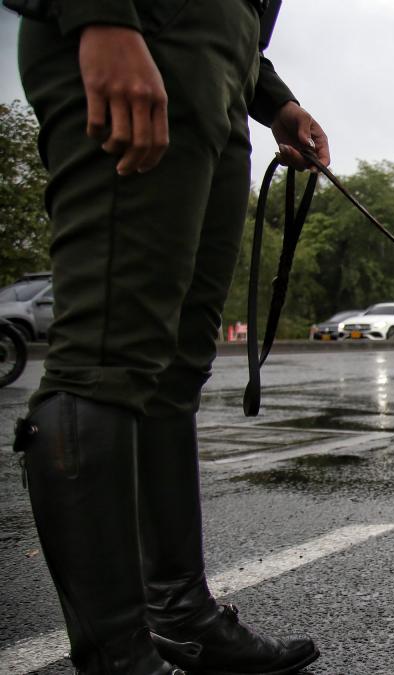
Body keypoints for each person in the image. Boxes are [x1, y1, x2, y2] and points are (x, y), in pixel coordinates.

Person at [11, 1, 327, 673]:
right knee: (105, 357)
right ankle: (119, 656)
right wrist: (101, 17)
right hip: (140, 35)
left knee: (175, 366)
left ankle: (181, 612)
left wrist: (274, 101)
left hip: (221, 74)